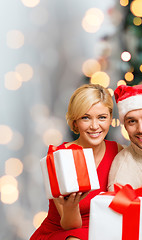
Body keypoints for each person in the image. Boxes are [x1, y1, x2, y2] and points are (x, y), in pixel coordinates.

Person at [30, 84, 123, 240]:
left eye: (102, 117)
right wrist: (71, 206)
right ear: (75, 122)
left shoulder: (118, 151)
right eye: (85, 118)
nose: (95, 126)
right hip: (64, 232)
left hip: (101, 232)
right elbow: (69, 226)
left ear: (110, 118)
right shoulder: (60, 156)